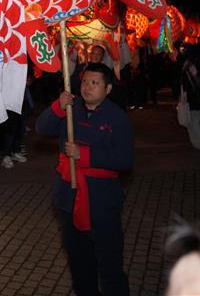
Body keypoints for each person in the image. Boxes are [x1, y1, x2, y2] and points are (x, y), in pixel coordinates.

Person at [36, 62, 133, 295]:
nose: (87, 87)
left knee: (110, 265)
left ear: (108, 88)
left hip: (102, 201)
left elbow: (124, 159)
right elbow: (41, 128)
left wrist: (85, 155)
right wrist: (58, 107)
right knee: (79, 264)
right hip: (68, 196)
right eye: (85, 81)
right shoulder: (71, 108)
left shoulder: (117, 116)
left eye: (95, 83)